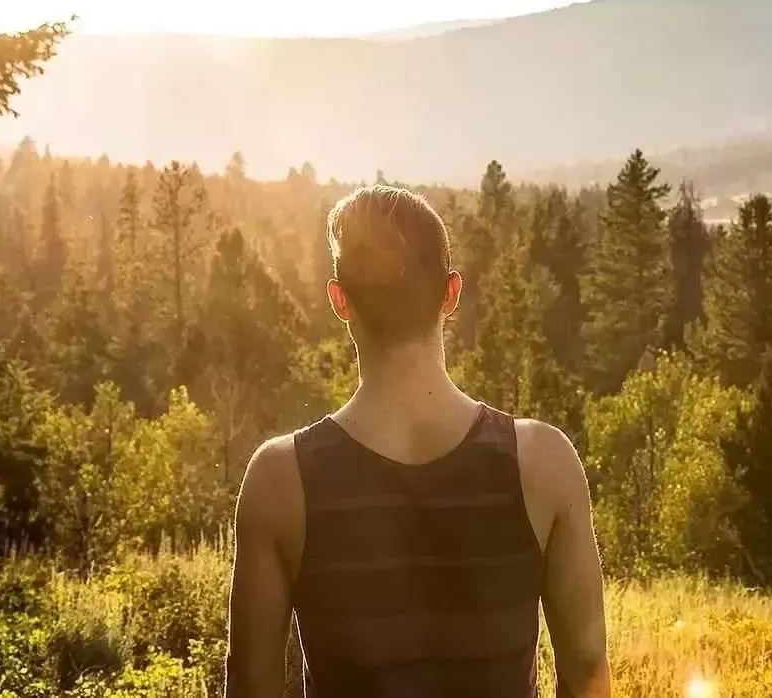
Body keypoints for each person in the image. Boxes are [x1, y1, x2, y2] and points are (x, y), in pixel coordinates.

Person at [224, 184, 610, 698]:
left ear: (339, 301)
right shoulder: (544, 464)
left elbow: (252, 689)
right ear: (451, 292)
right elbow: (586, 671)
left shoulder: (279, 479)